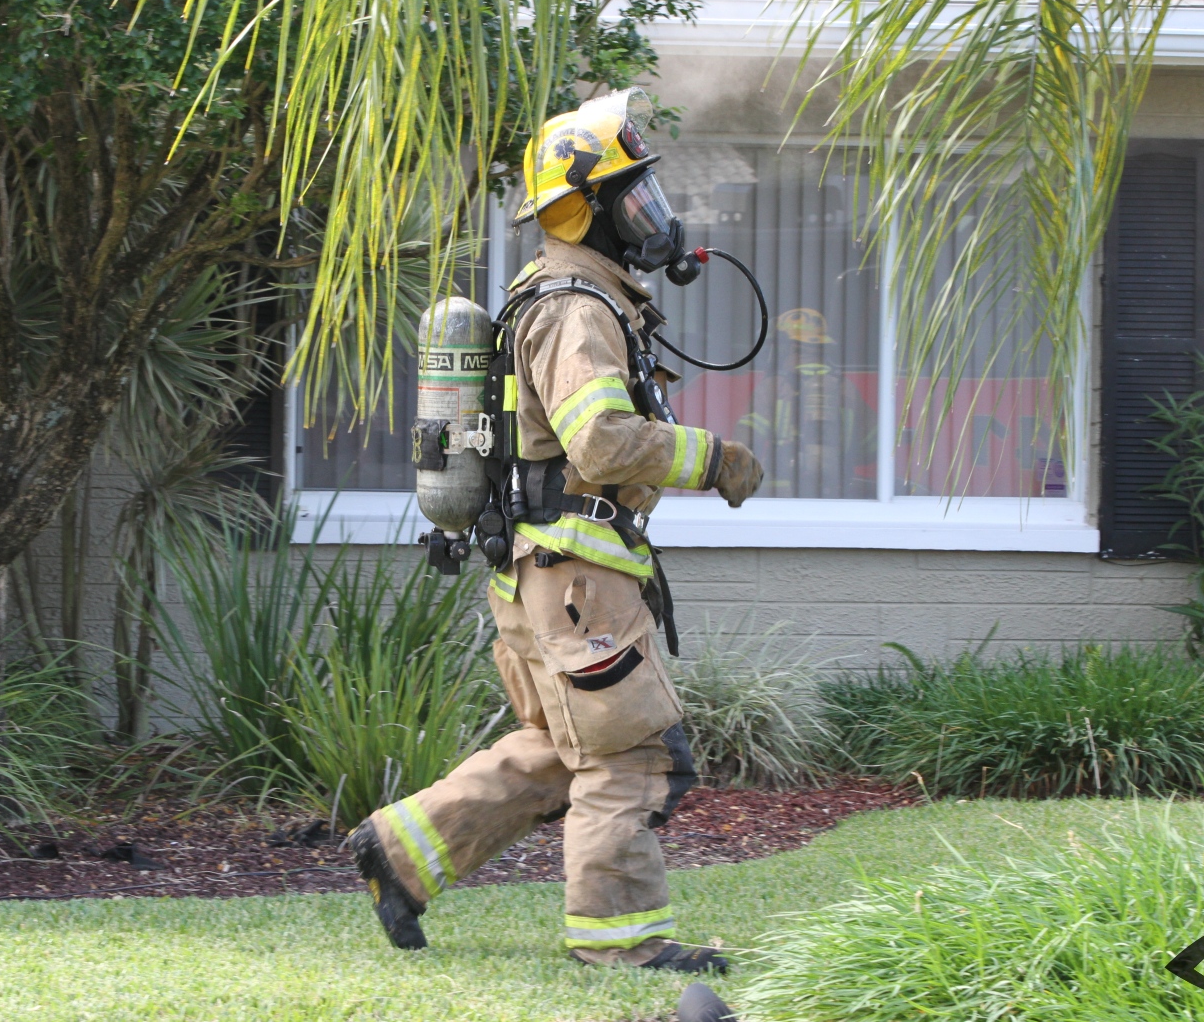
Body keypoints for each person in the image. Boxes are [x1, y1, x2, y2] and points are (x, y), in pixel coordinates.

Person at [346, 89, 764, 974]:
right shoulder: (577, 309)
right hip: (577, 580)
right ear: (583, 211)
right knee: (629, 755)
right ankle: (622, 941)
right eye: (631, 199)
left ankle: (401, 850)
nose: (651, 215)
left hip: (543, 574)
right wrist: (716, 458)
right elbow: (601, 443)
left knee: (571, 747)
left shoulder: (568, 294)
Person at [738, 307, 876, 498]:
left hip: (781, 497)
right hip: (836, 496)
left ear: (787, 347)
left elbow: (744, 446)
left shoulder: (773, 388)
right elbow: (873, 448)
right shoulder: (846, 389)